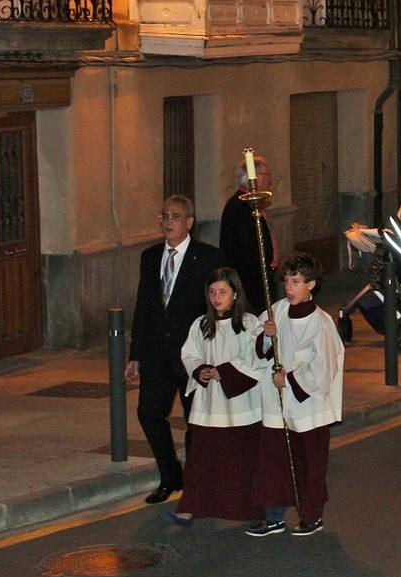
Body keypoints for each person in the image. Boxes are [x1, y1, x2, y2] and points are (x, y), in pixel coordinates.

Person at [128, 196, 224, 504]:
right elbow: (143, 306)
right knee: (149, 413)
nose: (168, 222)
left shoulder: (208, 258)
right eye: (164, 216)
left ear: (190, 222)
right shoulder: (150, 256)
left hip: (193, 353)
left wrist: (215, 350)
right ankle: (170, 477)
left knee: (195, 419)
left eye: (176, 217)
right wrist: (135, 354)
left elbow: (219, 305)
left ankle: (197, 483)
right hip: (157, 352)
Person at [247, 252, 344, 537]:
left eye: (297, 281)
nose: (289, 288)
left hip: (308, 406)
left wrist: (288, 379)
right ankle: (274, 515)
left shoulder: (320, 323)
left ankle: (311, 516)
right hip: (277, 405)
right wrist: (266, 335)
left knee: (308, 462)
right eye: (287, 281)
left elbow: (324, 367)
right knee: (273, 460)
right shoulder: (275, 311)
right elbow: (256, 350)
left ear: (311, 284)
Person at [166, 268, 267, 526]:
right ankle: (191, 506)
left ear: (235, 294)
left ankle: (246, 508)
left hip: (240, 403)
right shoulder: (201, 324)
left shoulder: (249, 324)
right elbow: (189, 354)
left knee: (240, 459)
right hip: (209, 403)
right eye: (212, 292)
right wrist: (201, 370)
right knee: (202, 458)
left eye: (222, 292)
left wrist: (223, 372)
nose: (217, 297)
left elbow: (255, 358)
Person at [220, 156, 276, 315]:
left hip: (257, 276)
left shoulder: (251, 204)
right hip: (250, 281)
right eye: (267, 174)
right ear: (254, 177)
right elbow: (246, 248)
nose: (270, 180)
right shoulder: (240, 206)